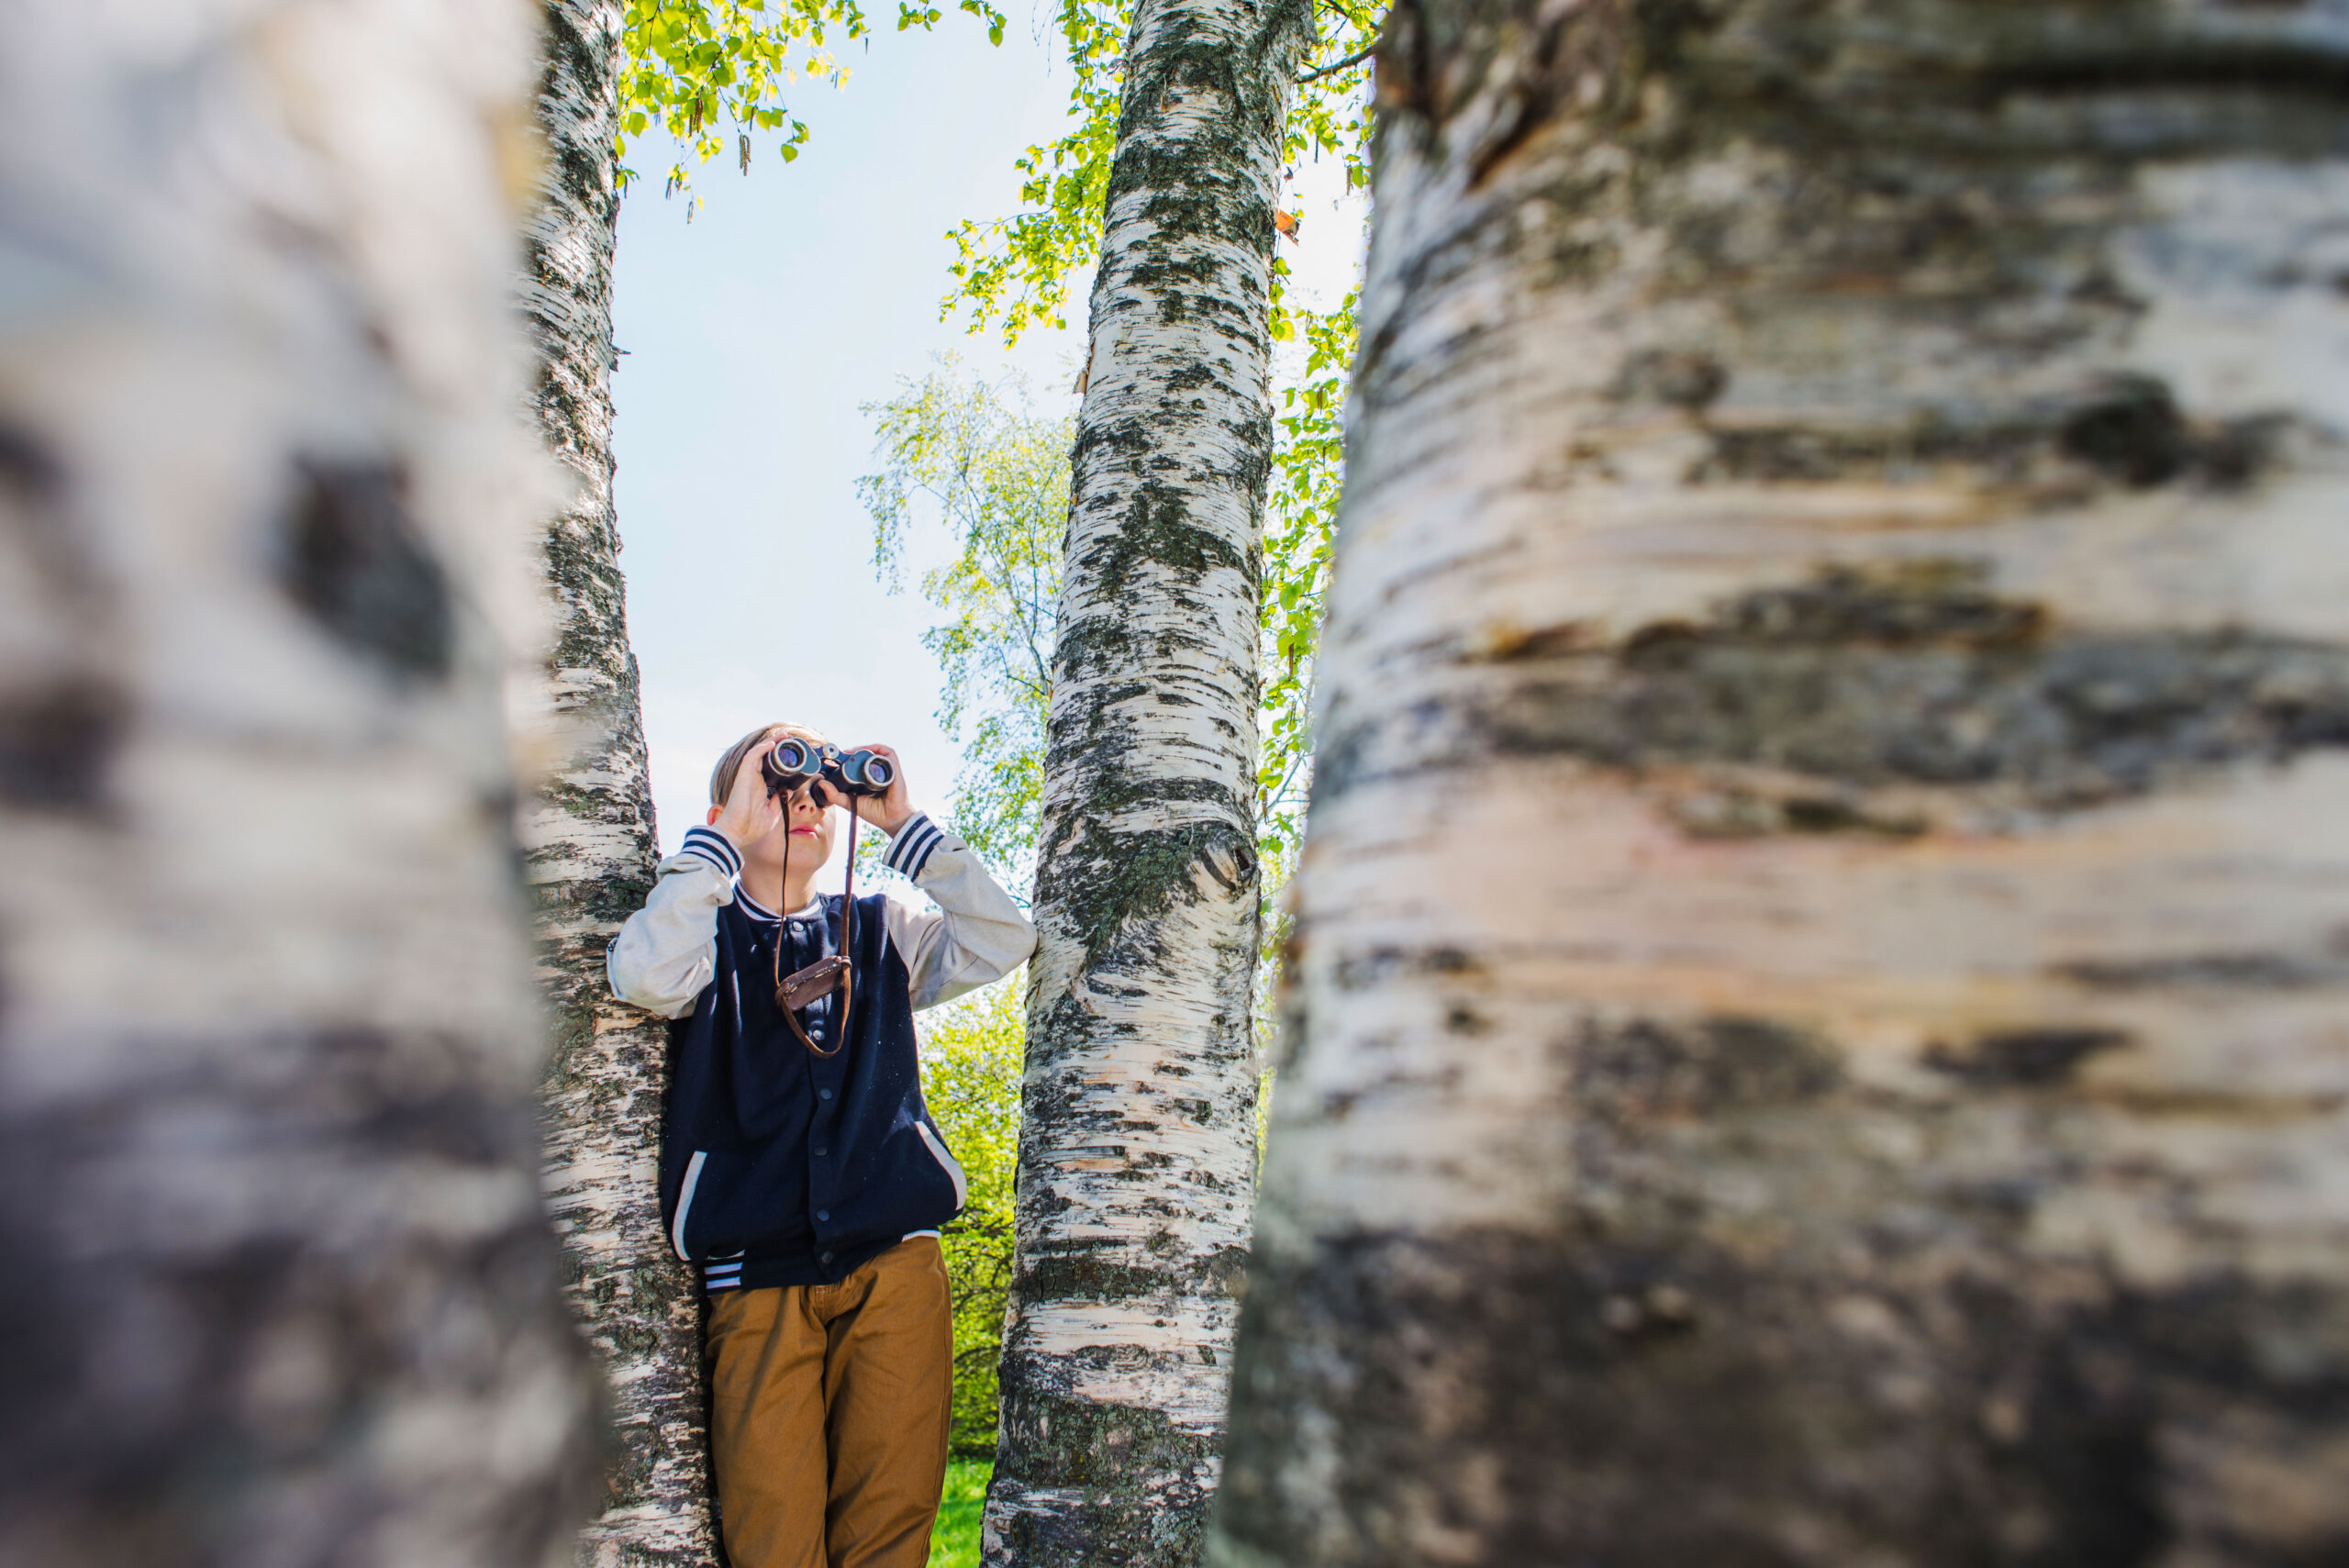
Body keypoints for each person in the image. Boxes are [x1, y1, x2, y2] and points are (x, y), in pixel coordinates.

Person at [607, 723, 1035, 1568]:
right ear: (728, 811)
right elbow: (643, 974)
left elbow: (1003, 937)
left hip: (896, 1266)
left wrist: (900, 824)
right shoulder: (700, 935)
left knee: (889, 1535)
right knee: (773, 1544)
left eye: (817, 790)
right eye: (777, 785)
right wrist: (724, 837)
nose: (804, 802)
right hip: (756, 1280)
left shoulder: (878, 929)